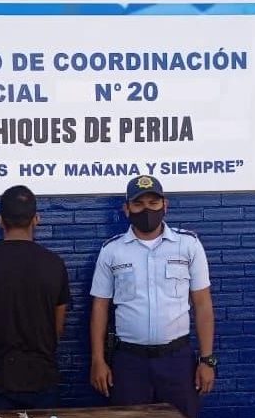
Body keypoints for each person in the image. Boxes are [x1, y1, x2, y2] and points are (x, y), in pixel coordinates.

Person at [89, 175, 216, 418]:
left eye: (153, 203)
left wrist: (207, 360)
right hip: (129, 363)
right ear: (126, 209)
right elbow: (99, 308)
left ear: (165, 205)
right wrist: (98, 360)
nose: (146, 210)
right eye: (138, 204)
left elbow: (203, 304)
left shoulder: (188, 245)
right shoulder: (112, 250)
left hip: (177, 361)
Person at [0, 185, 70, 410]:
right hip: (42, 375)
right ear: (36, 219)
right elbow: (58, 328)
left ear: (0, 220)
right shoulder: (55, 264)